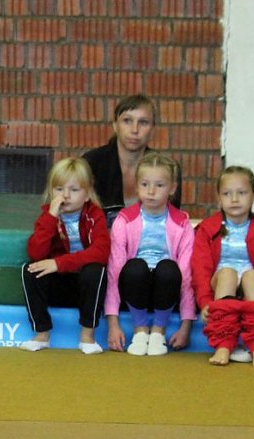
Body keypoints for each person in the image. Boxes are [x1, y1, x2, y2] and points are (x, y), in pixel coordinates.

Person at [192, 165, 254, 367]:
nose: (234, 199)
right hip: (222, 286)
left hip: (251, 288)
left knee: (252, 275)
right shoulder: (207, 229)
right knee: (227, 273)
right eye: (227, 194)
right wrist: (205, 302)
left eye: (241, 193)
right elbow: (200, 269)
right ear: (219, 198)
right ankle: (223, 344)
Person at [105, 152, 194, 356]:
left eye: (159, 185)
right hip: (135, 289)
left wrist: (186, 326)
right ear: (136, 186)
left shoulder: (182, 224)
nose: (151, 191)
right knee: (135, 267)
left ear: (172, 188)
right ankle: (140, 329)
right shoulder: (124, 221)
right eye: (145, 184)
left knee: (169, 268)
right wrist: (112, 323)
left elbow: (186, 276)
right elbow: (115, 272)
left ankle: (158, 331)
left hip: (166, 290)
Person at [19, 157, 110, 354]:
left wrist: (59, 263)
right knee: (30, 269)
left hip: (84, 285)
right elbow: (36, 252)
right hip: (60, 285)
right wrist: (51, 217)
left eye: (74, 190)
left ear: (87, 194)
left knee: (96, 271)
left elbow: (101, 252)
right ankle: (41, 334)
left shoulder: (94, 215)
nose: (66, 196)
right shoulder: (48, 216)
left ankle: (87, 335)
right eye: (59, 189)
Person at [82, 94, 182, 227]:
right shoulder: (91, 164)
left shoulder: (167, 168)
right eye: (127, 121)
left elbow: (171, 223)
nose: (135, 130)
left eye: (143, 122)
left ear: (152, 129)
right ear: (115, 126)